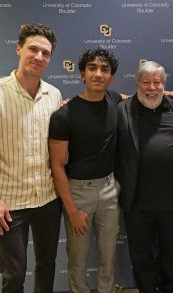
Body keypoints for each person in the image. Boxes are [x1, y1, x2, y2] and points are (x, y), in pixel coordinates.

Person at [48, 48, 121, 293]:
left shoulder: (113, 99)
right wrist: (72, 210)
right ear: (82, 74)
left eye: (105, 69)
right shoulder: (64, 115)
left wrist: (167, 92)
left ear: (111, 77)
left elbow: (142, 94)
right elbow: (57, 165)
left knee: (108, 259)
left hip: (110, 191)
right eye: (92, 68)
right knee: (78, 262)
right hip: (78, 194)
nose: (98, 74)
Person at [115, 61, 173, 293]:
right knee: (141, 257)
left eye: (157, 82)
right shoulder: (122, 110)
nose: (151, 87)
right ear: (137, 84)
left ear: (164, 85)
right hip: (137, 202)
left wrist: (167, 93)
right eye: (146, 82)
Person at [0, 23, 62, 293]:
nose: (39, 57)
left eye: (45, 53)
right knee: (13, 275)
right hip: (9, 203)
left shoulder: (54, 94)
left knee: (47, 264)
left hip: (47, 198)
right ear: (18, 49)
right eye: (33, 49)